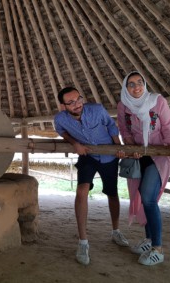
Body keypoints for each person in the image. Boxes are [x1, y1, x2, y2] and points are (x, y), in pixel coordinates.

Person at [54, 86, 129, 266]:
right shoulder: (60, 118)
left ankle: (116, 231)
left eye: (78, 99)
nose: (77, 104)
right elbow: (60, 131)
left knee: (112, 193)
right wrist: (75, 143)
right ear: (63, 106)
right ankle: (83, 242)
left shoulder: (97, 109)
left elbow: (111, 125)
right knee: (81, 192)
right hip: (87, 156)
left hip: (109, 156)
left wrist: (118, 146)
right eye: (70, 103)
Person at [116, 71, 170, 266]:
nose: (137, 87)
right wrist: (131, 149)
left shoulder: (157, 101)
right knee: (141, 198)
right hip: (139, 158)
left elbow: (167, 127)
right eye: (131, 84)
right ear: (125, 88)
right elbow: (124, 131)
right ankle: (148, 240)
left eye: (140, 83)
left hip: (159, 155)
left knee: (148, 198)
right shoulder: (123, 106)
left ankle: (158, 249)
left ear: (145, 84)